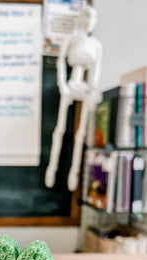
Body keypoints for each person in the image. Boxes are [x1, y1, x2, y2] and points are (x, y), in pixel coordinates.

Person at [45, 5, 102, 191]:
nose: (88, 22)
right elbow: (60, 62)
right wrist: (63, 85)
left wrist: (92, 89)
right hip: (70, 86)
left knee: (80, 134)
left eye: (92, 19)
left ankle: (74, 174)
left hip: (85, 88)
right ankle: (51, 170)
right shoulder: (71, 40)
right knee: (60, 128)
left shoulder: (96, 45)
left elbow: (96, 70)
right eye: (86, 17)